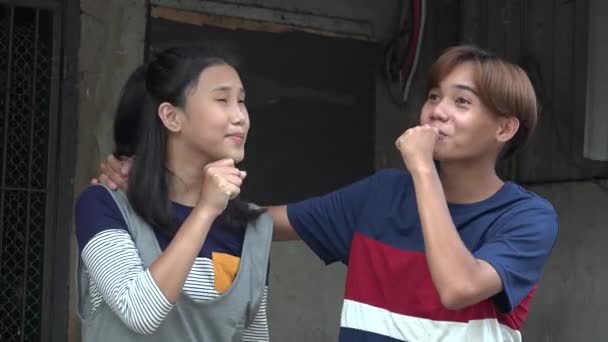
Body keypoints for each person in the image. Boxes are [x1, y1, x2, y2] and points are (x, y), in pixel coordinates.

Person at [96, 45, 558, 341]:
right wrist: (149, 179)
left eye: (461, 102)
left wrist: (422, 172)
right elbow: (254, 224)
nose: (437, 112)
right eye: (434, 96)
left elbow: (459, 287)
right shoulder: (381, 195)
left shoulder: (526, 217)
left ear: (504, 127)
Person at [76, 46, 272, 341]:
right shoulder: (104, 205)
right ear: (172, 117)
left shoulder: (255, 229)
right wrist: (205, 211)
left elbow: (253, 336)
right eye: (222, 99)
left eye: (242, 101)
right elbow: (139, 311)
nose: (240, 116)